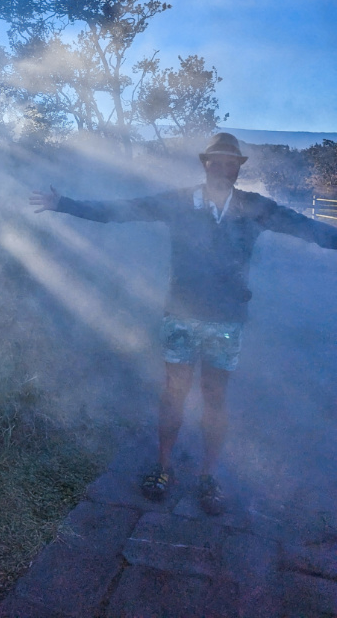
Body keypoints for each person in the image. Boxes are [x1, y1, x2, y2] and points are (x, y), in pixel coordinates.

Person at [29, 132, 337, 515]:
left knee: (214, 396)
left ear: (239, 168)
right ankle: (162, 467)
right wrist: (65, 204)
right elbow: (123, 210)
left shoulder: (254, 206)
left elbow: (305, 227)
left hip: (227, 319)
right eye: (217, 160)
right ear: (205, 163)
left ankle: (208, 476)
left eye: (231, 162)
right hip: (181, 314)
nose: (224, 167)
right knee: (174, 392)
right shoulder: (178, 202)